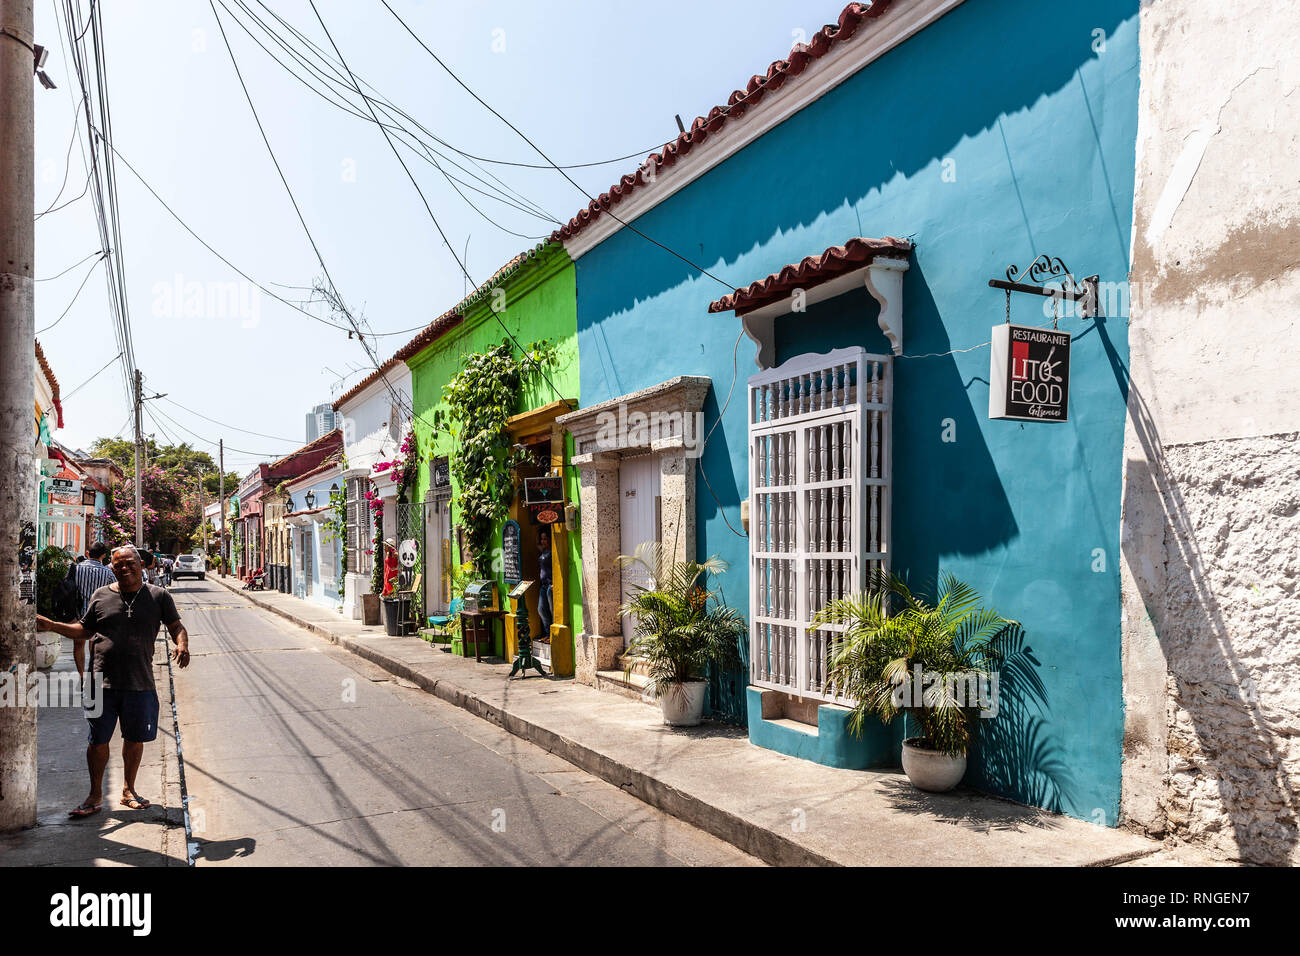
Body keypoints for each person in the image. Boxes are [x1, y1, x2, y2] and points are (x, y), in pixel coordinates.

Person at [36, 545, 191, 818]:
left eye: (130, 563)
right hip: (99, 682)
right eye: (118, 564)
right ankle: (95, 795)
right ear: (112, 567)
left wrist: (182, 643)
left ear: (142, 564)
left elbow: (175, 626)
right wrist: (52, 625)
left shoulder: (158, 596)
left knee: (134, 739)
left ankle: (128, 790)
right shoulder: (100, 596)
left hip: (139, 681)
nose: (124, 568)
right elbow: (83, 630)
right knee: (97, 740)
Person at [72, 543, 116, 680]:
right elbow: (115, 591)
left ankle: (80, 676)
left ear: (87, 553)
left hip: (78, 612)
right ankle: (92, 676)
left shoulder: (75, 569)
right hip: (99, 614)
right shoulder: (107, 572)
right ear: (103, 555)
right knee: (95, 646)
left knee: (78, 645)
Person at [536, 527, 553, 638]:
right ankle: (548, 633)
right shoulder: (544, 550)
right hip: (543, 585)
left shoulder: (552, 552)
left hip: (551, 585)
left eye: (545, 539)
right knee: (541, 609)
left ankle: (552, 635)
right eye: (542, 539)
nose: (543, 541)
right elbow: (536, 544)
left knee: (552, 610)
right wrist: (537, 533)